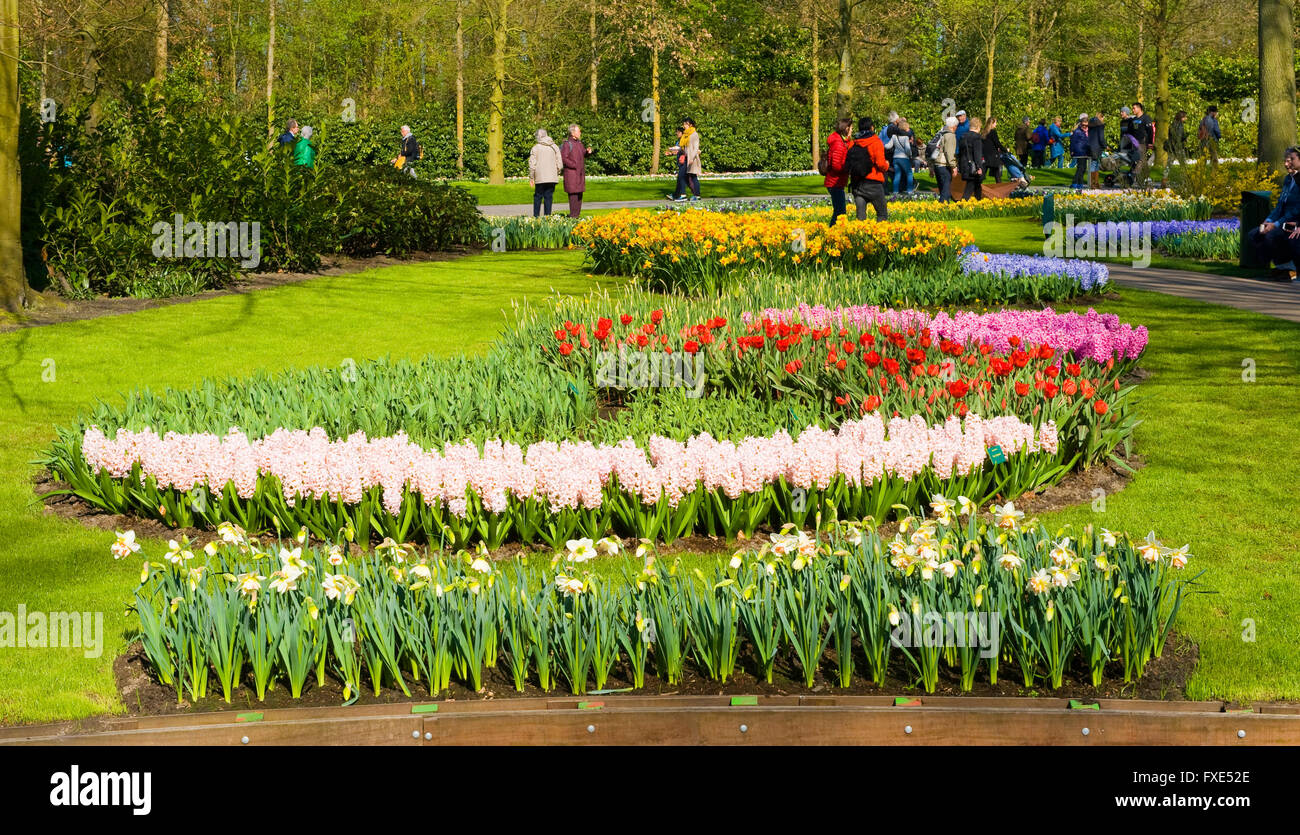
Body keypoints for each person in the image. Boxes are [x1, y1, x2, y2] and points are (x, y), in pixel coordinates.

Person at [1247, 146, 1300, 280]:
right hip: (1283, 222)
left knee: (1276, 233)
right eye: (1285, 160)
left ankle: (1292, 269)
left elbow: (1296, 210)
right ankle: (1282, 267)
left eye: (1291, 160)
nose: (1286, 164)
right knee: (1255, 234)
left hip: (1295, 224)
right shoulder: (1288, 179)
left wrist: (1275, 224)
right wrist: (1268, 220)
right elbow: (1280, 206)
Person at [846, 116, 889, 220]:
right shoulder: (875, 142)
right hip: (873, 183)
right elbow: (880, 164)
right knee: (882, 214)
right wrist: (887, 165)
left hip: (857, 184)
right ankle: (880, 236)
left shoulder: (853, 143)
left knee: (860, 217)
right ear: (872, 128)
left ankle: (860, 235)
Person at [560, 124, 594, 218]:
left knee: (579, 195)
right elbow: (564, 158)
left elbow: (583, 154)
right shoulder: (567, 144)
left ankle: (576, 216)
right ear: (573, 133)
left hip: (579, 174)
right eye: (579, 131)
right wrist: (574, 165)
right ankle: (573, 216)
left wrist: (587, 152)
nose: (580, 133)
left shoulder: (579, 143)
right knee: (573, 196)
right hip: (571, 175)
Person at [528, 128, 563, 217]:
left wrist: (531, 177)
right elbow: (560, 163)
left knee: (538, 197)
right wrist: (556, 172)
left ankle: (536, 217)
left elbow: (532, 165)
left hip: (540, 177)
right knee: (548, 197)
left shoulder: (535, 148)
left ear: (538, 136)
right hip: (552, 177)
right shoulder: (554, 147)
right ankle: (548, 218)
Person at [823, 117, 852, 224]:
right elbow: (836, 165)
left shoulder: (840, 141)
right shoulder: (838, 143)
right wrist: (847, 169)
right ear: (846, 128)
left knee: (839, 212)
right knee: (840, 213)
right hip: (835, 182)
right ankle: (832, 234)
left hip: (836, 182)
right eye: (851, 128)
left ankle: (834, 233)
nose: (852, 130)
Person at [668, 118, 702, 201]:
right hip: (686, 157)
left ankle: (695, 196)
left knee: (692, 177)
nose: (684, 126)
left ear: (690, 125)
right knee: (682, 176)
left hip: (691, 159)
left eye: (685, 124)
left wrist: (692, 157)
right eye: (684, 124)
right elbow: (684, 147)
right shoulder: (686, 135)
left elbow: (695, 147)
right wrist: (674, 151)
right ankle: (683, 195)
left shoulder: (694, 134)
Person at [885, 116, 917, 193]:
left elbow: (888, 146)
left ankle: (895, 191)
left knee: (897, 175)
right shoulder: (906, 137)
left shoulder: (894, 136)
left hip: (895, 158)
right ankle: (909, 190)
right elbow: (907, 149)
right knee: (909, 174)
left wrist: (882, 145)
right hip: (904, 158)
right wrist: (910, 155)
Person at [958, 116, 986, 200]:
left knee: (977, 186)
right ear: (978, 127)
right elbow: (977, 154)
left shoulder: (963, 137)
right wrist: (979, 167)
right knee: (970, 186)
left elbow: (960, 153)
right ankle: (961, 205)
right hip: (973, 168)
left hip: (965, 165)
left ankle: (979, 203)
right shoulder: (977, 137)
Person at [934, 116, 959, 202]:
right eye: (956, 126)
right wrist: (954, 166)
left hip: (936, 164)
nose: (957, 128)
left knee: (942, 189)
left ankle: (945, 206)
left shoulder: (940, 133)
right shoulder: (950, 135)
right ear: (953, 126)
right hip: (944, 164)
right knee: (945, 190)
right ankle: (942, 208)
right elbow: (949, 153)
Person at [879, 111, 899, 193]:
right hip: (888, 151)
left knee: (886, 171)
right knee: (891, 170)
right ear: (895, 120)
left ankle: (885, 189)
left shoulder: (885, 128)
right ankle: (897, 188)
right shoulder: (892, 128)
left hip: (882, 150)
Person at [1068, 116, 1090, 189]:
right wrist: (1072, 151)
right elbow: (1072, 142)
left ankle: (1079, 183)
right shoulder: (1077, 131)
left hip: (1085, 152)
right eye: (1083, 125)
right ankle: (1075, 183)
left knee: (1083, 168)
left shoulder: (1088, 131)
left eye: (1086, 125)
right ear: (1080, 124)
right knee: (1080, 168)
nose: (1084, 126)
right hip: (1079, 151)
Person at [982, 117, 1005, 183]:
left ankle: (976, 189)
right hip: (993, 157)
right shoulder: (993, 132)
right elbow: (997, 143)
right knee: (997, 176)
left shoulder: (984, 132)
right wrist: (1005, 150)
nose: (996, 124)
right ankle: (999, 190)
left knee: (982, 175)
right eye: (995, 123)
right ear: (992, 123)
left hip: (985, 156)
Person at [1087, 113, 1106, 189]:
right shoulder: (1100, 126)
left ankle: (1094, 183)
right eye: (1103, 118)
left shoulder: (1090, 126)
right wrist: (1105, 145)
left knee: (1094, 164)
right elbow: (1101, 138)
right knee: (1095, 164)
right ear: (1100, 118)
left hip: (1090, 146)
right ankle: (1094, 183)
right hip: (1097, 147)